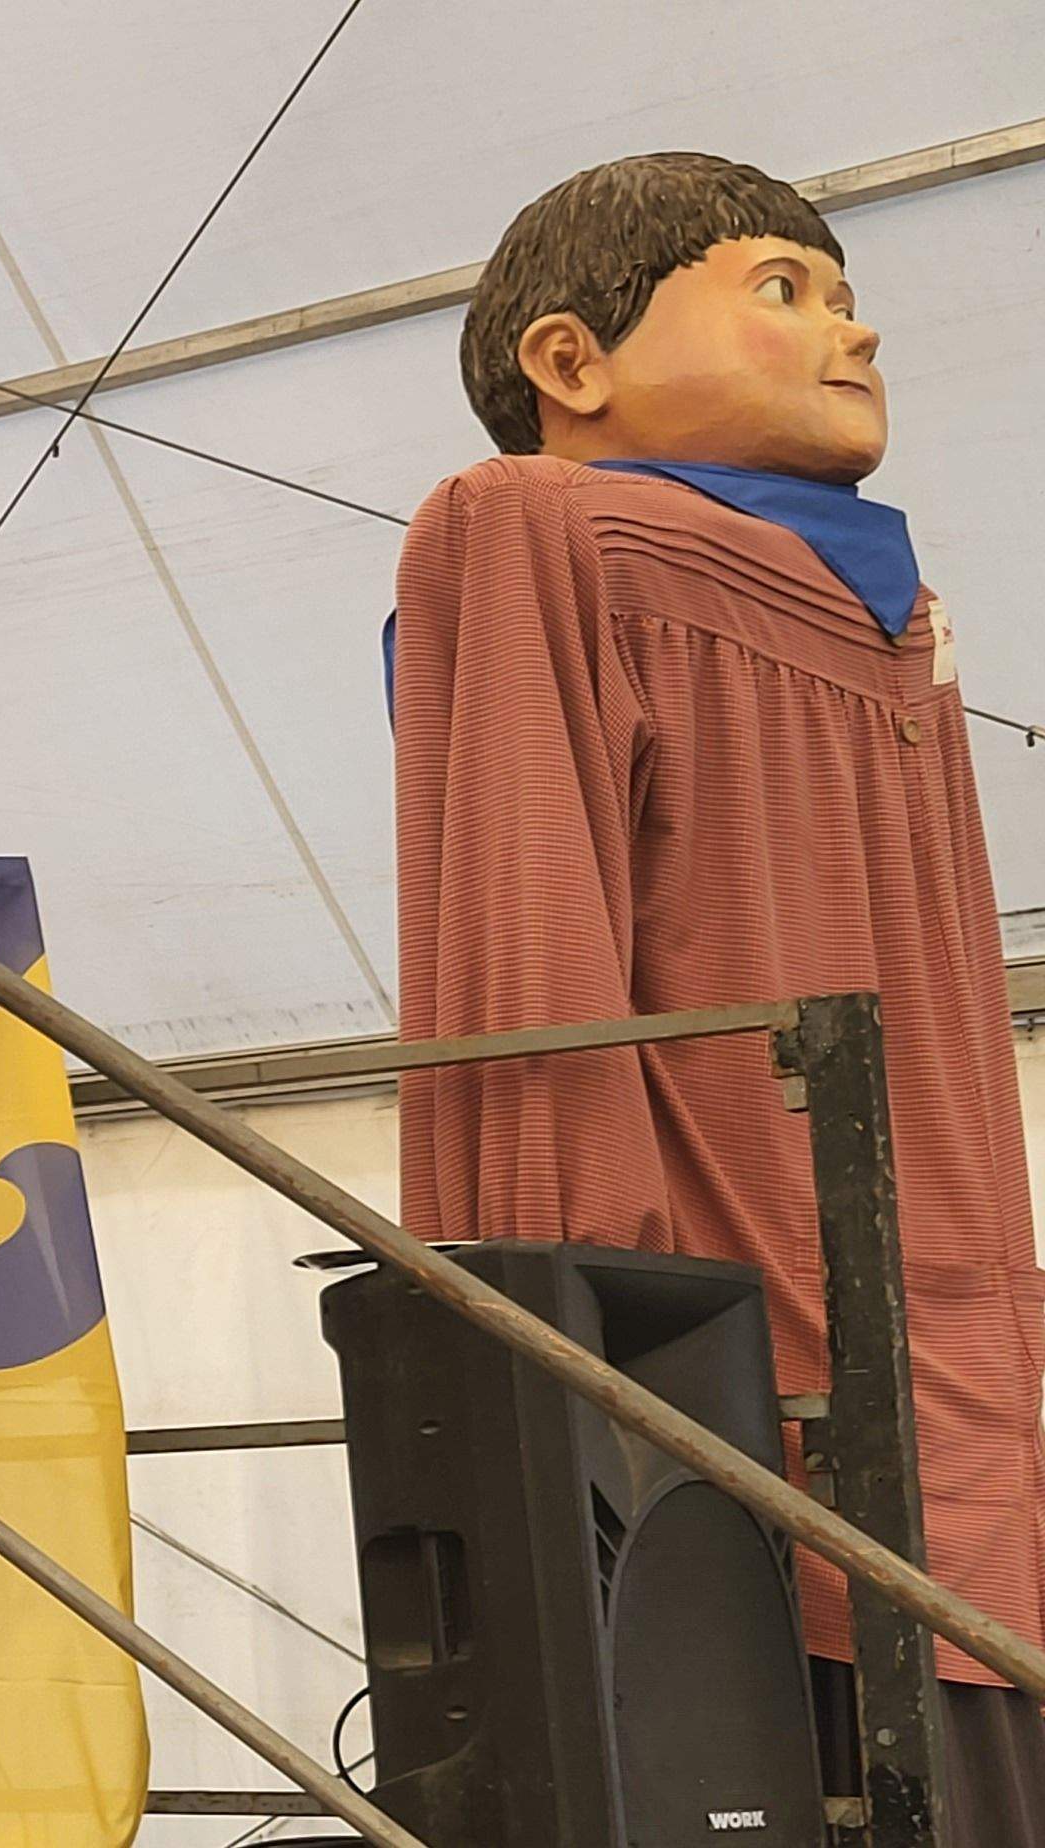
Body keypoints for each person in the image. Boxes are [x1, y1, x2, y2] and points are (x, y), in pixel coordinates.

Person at [395, 151, 1043, 1842]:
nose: (852, 327)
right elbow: (526, 956)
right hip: (730, 1325)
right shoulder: (530, 526)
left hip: (943, 1303)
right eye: (782, 289)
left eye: (844, 295)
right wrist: (559, 1334)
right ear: (569, 362)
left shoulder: (895, 607)